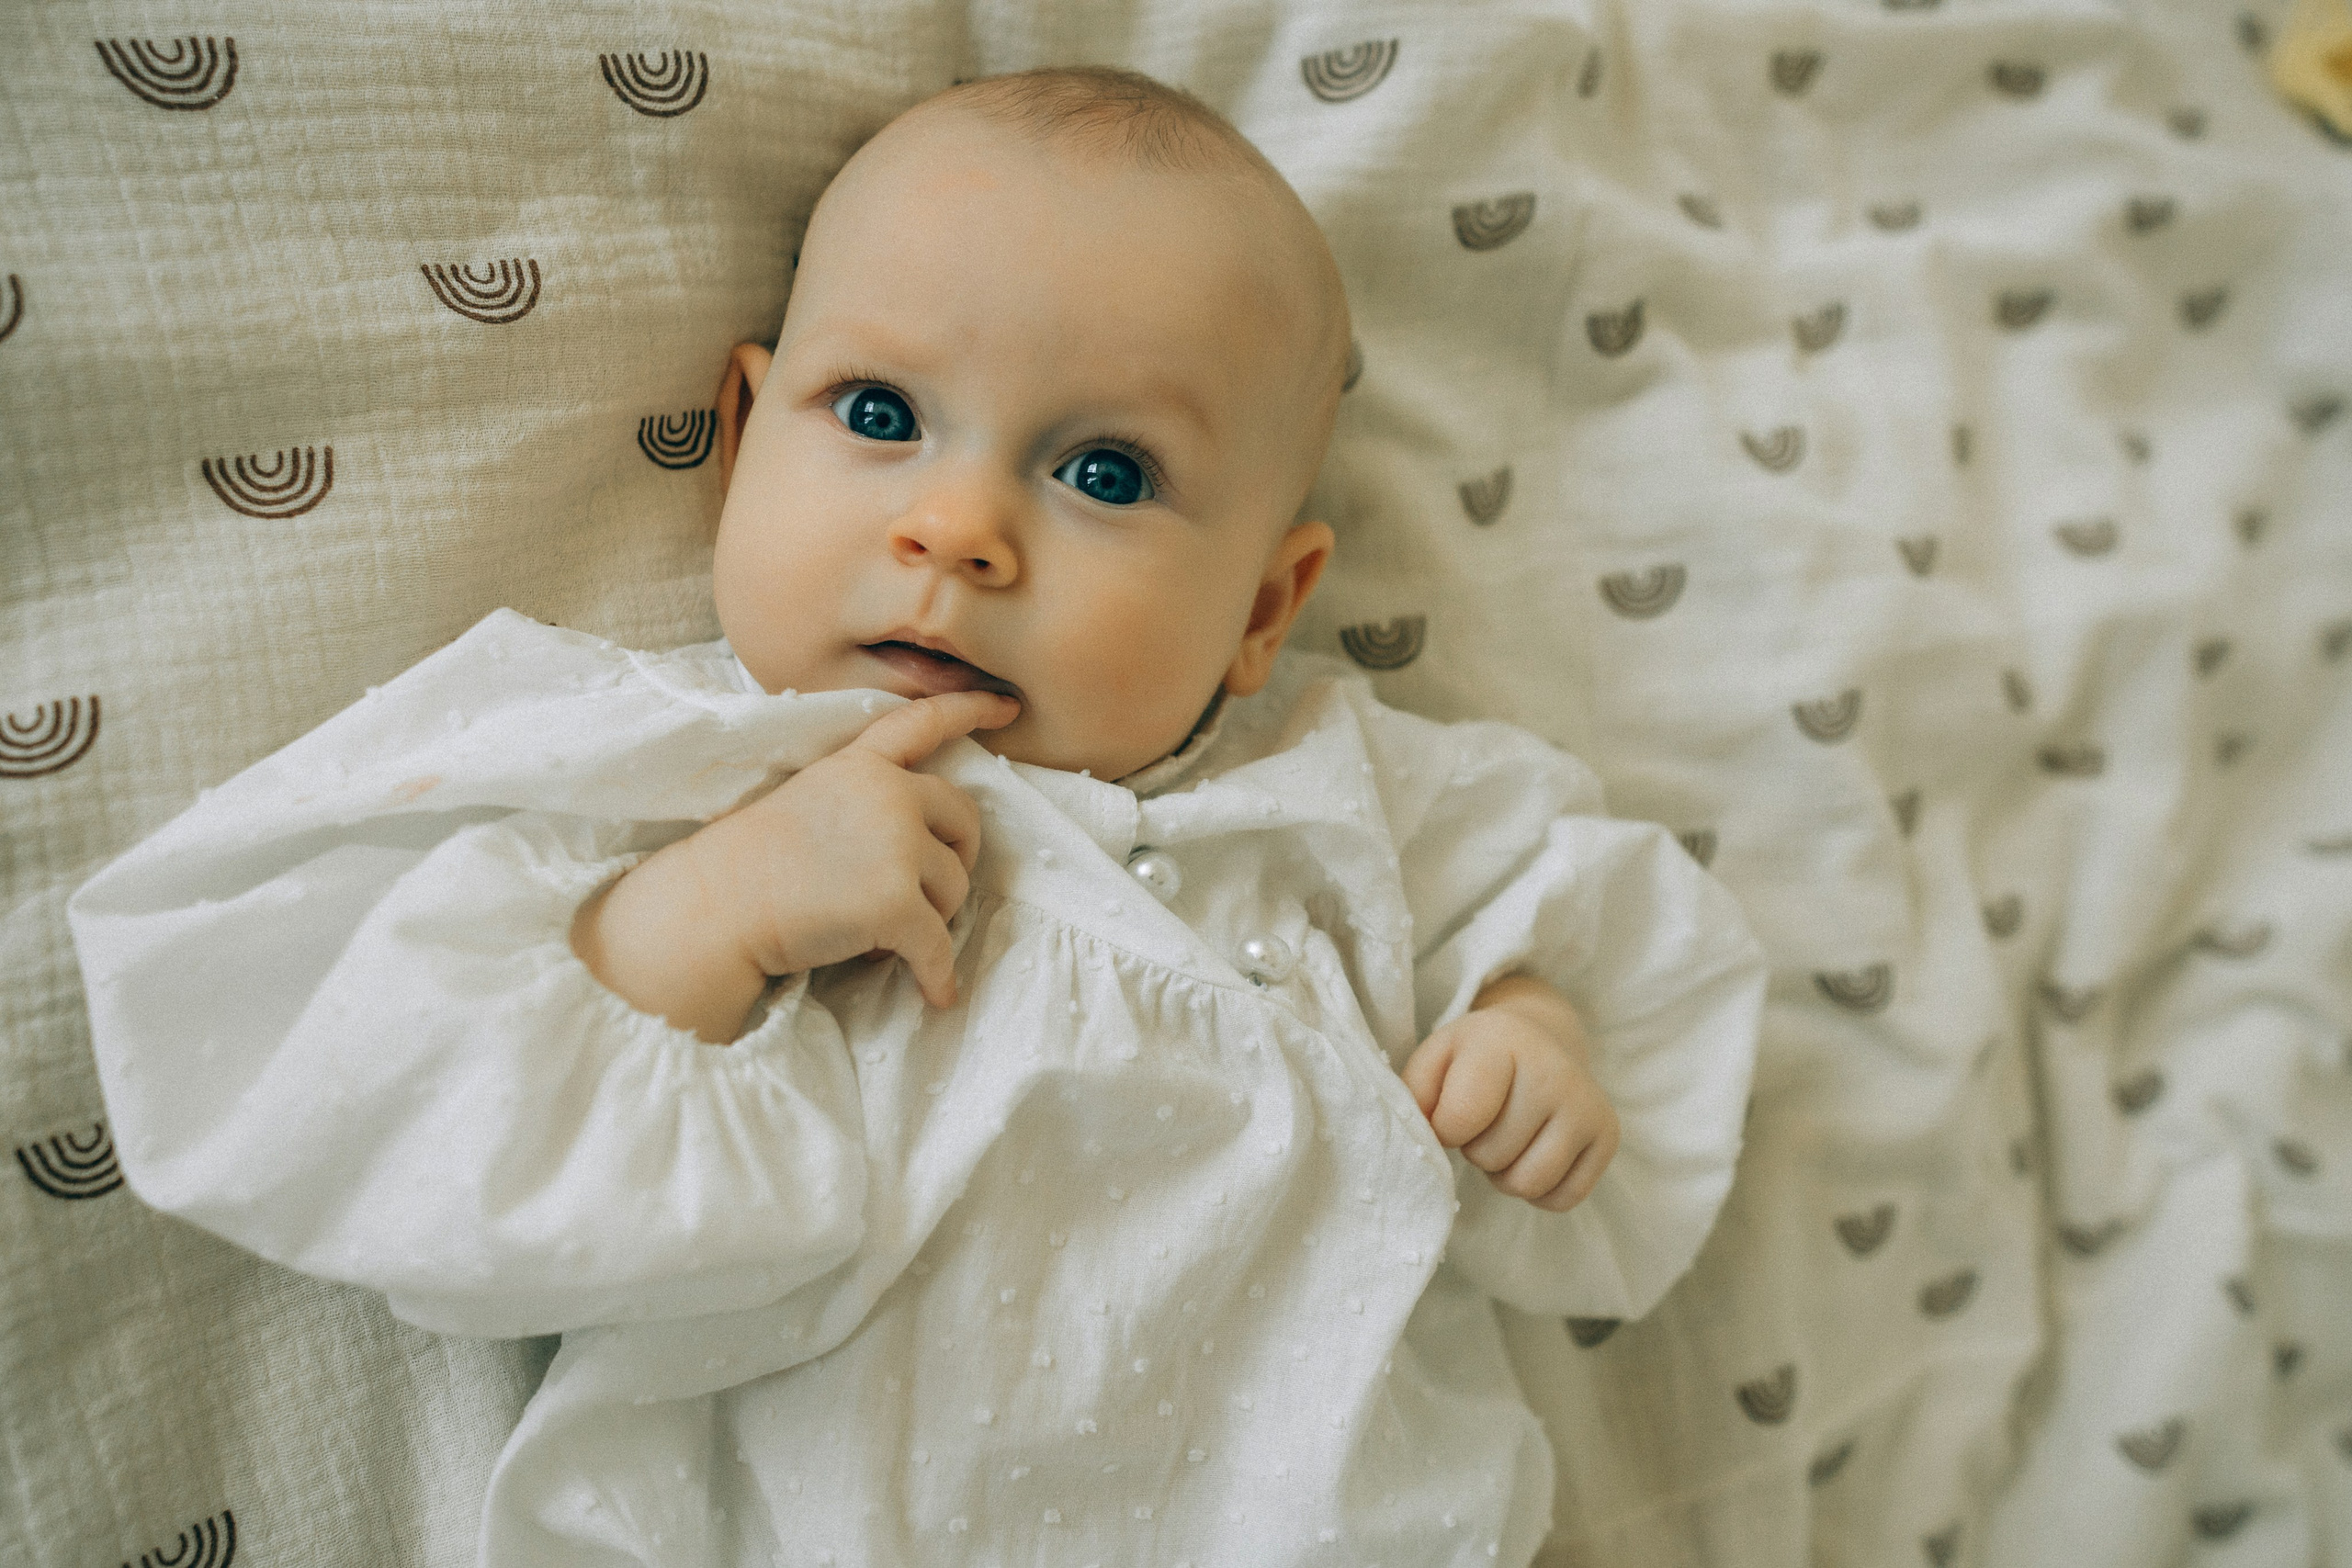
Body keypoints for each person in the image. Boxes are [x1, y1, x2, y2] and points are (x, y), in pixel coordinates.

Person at [71, 68, 1764, 1568]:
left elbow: (1593, 925)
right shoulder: (664, 763)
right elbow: (349, 1085)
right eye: (880, 418)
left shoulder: (1337, 795)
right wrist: (700, 919)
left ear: (1264, 605)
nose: (958, 526)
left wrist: (1528, 1033)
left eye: (1104, 472)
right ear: (742, 445)